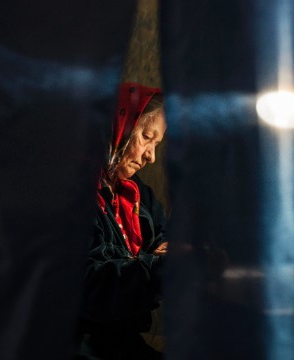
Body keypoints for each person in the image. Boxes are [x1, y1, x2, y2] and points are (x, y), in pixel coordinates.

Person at [76, 82, 168, 360]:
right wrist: (162, 266)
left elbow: (161, 236)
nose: (150, 157)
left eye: (156, 144)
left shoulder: (137, 193)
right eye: (146, 137)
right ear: (119, 126)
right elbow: (89, 283)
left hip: (121, 338)